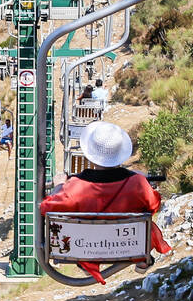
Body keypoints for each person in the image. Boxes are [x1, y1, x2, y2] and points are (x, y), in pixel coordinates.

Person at [39, 121, 171, 284]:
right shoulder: (137, 182)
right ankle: (142, 260)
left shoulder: (75, 187)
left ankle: (88, 263)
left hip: (85, 247)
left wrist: (59, 185)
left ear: (90, 154)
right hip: (128, 245)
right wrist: (139, 179)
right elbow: (153, 205)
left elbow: (47, 208)